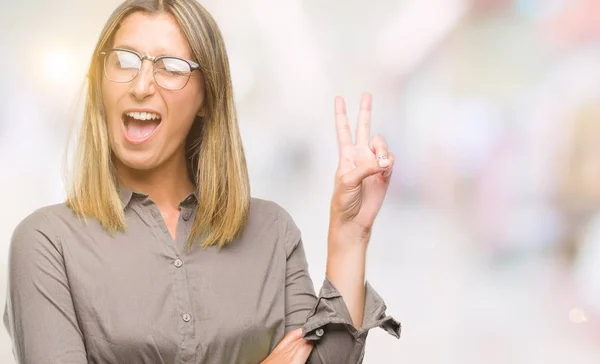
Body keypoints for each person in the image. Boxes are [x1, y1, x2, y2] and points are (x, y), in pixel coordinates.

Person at [3, 0, 400, 363]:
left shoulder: (272, 231)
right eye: (124, 61)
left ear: (207, 98)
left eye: (171, 68)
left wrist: (351, 233)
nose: (141, 86)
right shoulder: (45, 243)